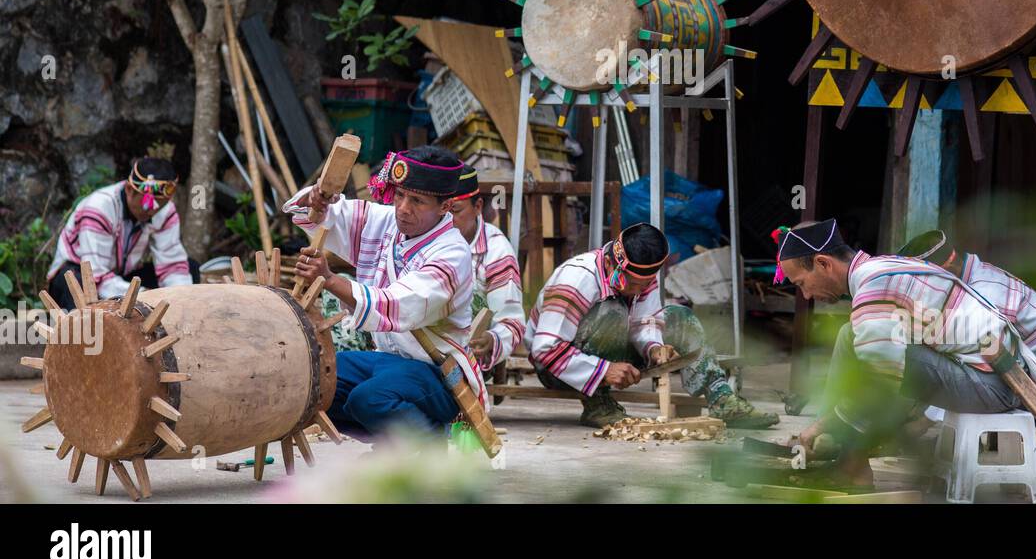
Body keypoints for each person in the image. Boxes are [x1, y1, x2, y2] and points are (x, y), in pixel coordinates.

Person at [776, 219, 1036, 485]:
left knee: (885, 369)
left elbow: (882, 379)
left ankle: (850, 465)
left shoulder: (873, 285)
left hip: (999, 387)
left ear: (824, 264)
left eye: (801, 283)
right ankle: (839, 453)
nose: (806, 295)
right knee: (851, 335)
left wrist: (825, 424)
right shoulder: (881, 268)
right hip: (987, 378)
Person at [285, 144, 485, 440]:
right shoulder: (386, 221)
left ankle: (429, 440)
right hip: (387, 361)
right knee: (313, 379)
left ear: (445, 207)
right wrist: (320, 199)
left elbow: (398, 305)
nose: (403, 208)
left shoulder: (452, 254)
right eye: (400, 195)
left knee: (368, 399)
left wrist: (328, 278)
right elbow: (323, 215)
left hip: (437, 374)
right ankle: (396, 445)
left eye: (417, 200)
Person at [525, 222, 777, 429]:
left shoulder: (643, 277)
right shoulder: (576, 279)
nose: (639, 290)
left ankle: (722, 398)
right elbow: (545, 351)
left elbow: (645, 320)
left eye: (644, 285)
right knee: (613, 309)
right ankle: (598, 405)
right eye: (633, 284)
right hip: (558, 369)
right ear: (614, 265)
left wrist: (655, 348)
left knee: (680, 315)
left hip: (610, 354)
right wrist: (604, 371)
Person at [896, 229, 1036, 406]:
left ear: (947, 269)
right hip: (1015, 373)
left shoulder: (984, 291)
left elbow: (983, 356)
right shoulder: (971, 279)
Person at [46, 157, 197, 309]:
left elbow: (172, 264)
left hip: (118, 278)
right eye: (148, 204)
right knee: (76, 282)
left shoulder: (164, 211)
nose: (153, 210)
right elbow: (95, 276)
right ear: (130, 190)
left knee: (189, 268)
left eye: (159, 206)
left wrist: (180, 300)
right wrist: (146, 297)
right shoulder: (99, 208)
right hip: (81, 278)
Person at [445, 166, 525, 372]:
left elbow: (512, 321)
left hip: (469, 358)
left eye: (455, 211)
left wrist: (492, 339)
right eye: (442, 211)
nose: (448, 220)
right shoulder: (427, 237)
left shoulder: (497, 250)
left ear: (478, 206)